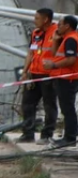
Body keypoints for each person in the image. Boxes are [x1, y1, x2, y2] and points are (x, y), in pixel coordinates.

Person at [21, 8, 59, 143]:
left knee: (49, 106)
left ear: (46, 19)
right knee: (27, 104)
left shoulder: (57, 33)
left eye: (37, 18)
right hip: (34, 74)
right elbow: (30, 53)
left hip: (49, 76)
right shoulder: (36, 33)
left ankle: (47, 134)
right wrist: (25, 72)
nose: (34, 21)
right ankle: (28, 133)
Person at [43, 15, 78, 148]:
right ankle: (71, 134)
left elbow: (71, 60)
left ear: (67, 26)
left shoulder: (71, 39)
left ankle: (70, 137)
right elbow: (55, 54)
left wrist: (53, 66)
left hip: (67, 78)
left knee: (67, 108)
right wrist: (56, 40)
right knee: (67, 107)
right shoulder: (67, 38)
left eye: (60, 24)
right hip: (65, 77)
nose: (57, 27)